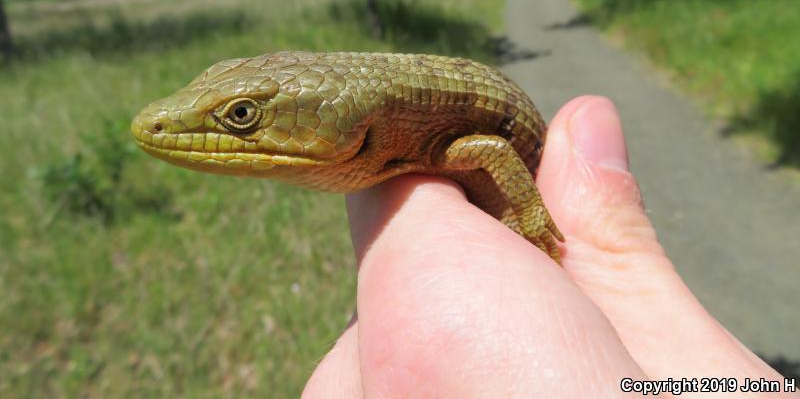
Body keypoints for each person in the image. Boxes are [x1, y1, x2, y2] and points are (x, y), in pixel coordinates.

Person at [303, 96, 795, 398]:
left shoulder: (425, 139)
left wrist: (534, 215)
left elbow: (492, 149)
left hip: (536, 225)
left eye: (243, 117)